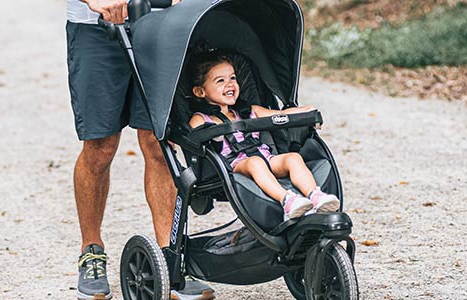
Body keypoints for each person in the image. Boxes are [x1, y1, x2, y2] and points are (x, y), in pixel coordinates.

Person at [66, 1, 215, 299]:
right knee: (100, 147)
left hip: (162, 26)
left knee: (159, 143)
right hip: (95, 26)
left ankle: (170, 260)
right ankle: (91, 251)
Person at [187, 49, 341, 220]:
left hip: (267, 158)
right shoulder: (200, 118)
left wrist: (306, 112)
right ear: (200, 92)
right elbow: (193, 138)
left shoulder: (250, 111)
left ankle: (315, 196)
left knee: (292, 158)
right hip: (234, 166)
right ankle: (287, 200)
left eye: (233, 78)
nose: (230, 84)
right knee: (255, 162)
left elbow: (282, 116)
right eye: (220, 80)